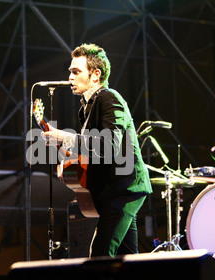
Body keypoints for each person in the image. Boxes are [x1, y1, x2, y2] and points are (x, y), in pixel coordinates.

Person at [42, 43, 152, 258]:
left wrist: (66, 137)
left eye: (76, 72)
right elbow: (92, 151)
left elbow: (109, 145)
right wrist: (65, 155)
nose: (70, 77)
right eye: (70, 72)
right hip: (113, 190)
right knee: (127, 257)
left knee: (100, 254)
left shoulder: (109, 98)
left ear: (95, 75)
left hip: (125, 188)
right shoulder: (87, 107)